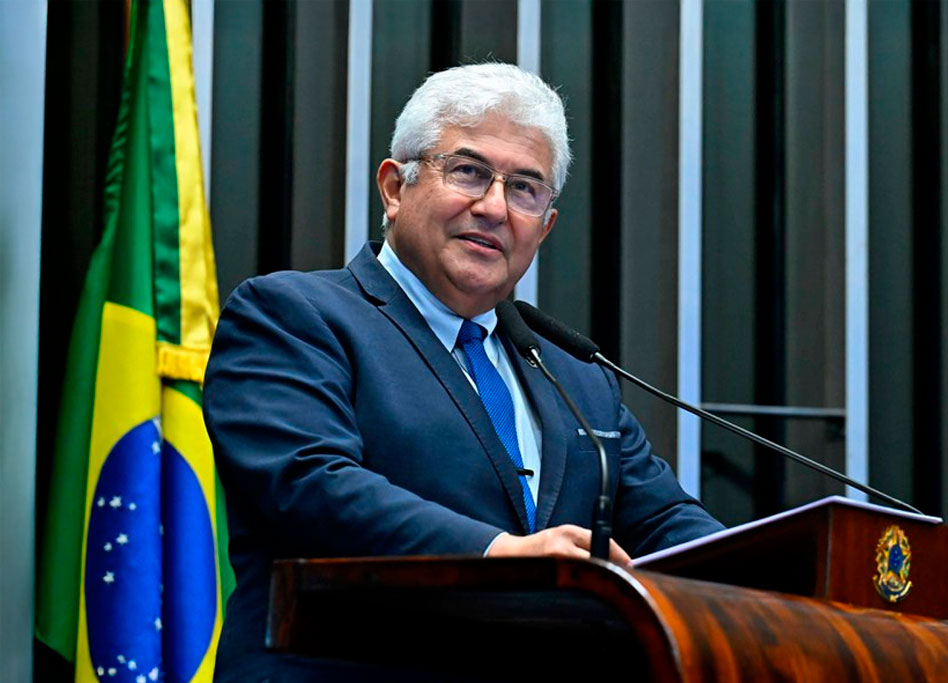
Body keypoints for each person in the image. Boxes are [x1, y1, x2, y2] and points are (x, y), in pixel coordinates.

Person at [203, 62, 724, 679]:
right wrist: (501, 554)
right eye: (470, 172)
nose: (496, 207)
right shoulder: (293, 315)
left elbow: (663, 522)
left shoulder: (574, 374)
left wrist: (787, 570)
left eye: (525, 188)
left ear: (545, 226)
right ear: (395, 188)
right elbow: (308, 484)